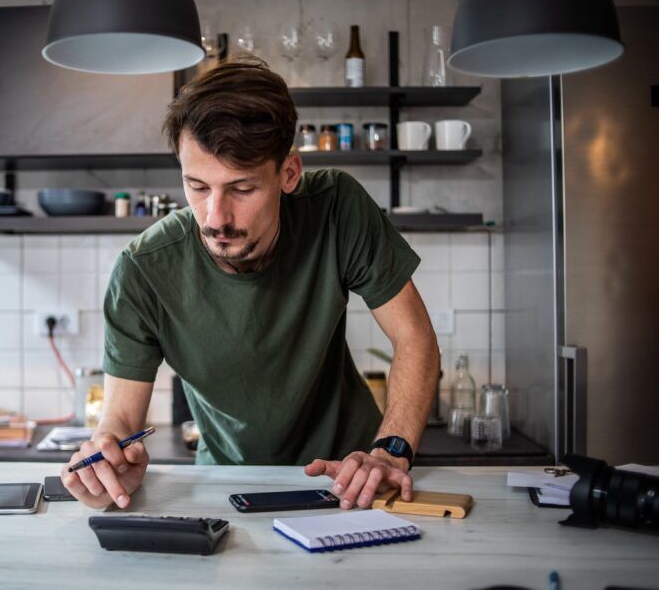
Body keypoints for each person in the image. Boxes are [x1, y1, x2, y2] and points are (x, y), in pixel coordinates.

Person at [61, 56, 440, 512]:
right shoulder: (142, 270)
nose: (215, 218)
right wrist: (108, 459)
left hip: (352, 479)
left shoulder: (337, 208)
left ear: (289, 174)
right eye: (198, 187)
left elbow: (414, 336)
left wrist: (391, 451)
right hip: (225, 482)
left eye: (241, 189)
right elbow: (121, 419)